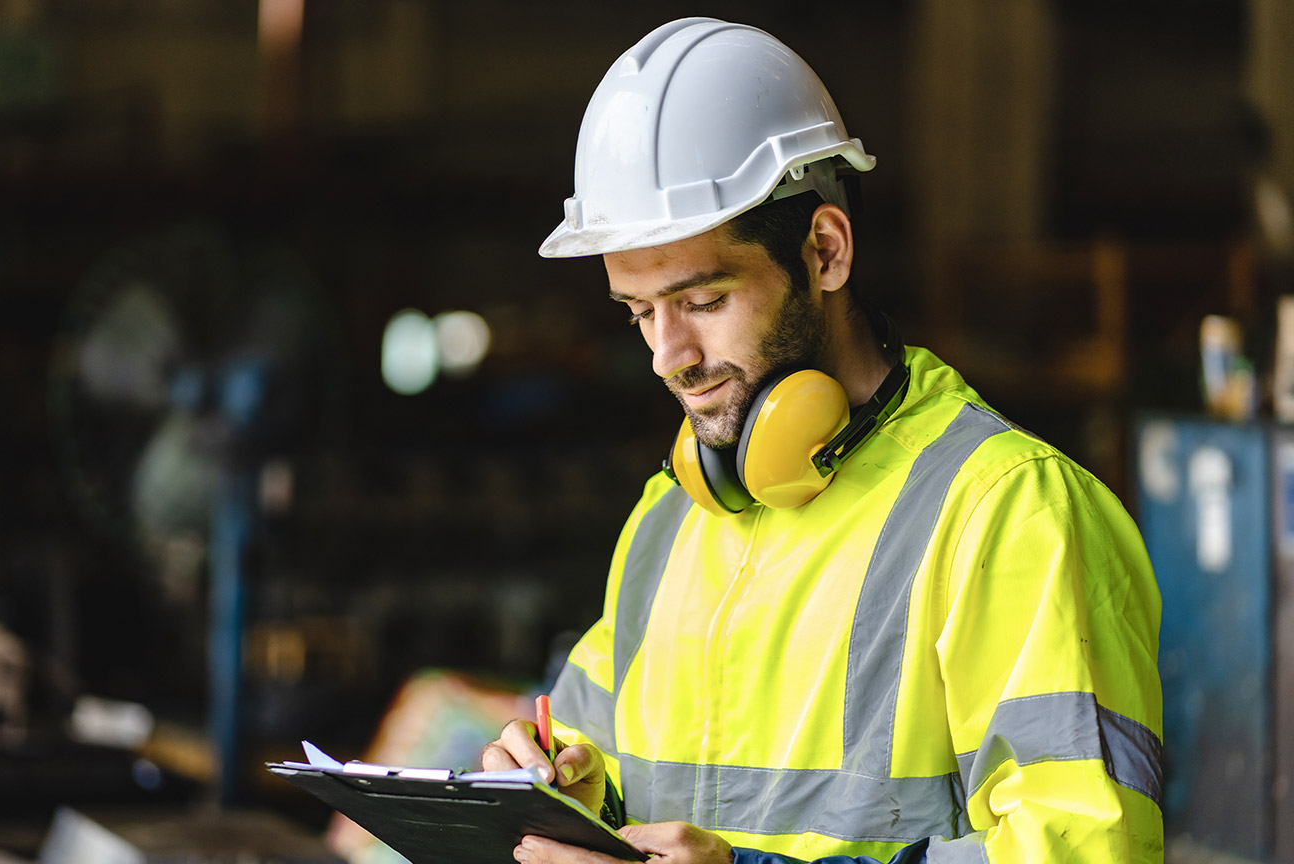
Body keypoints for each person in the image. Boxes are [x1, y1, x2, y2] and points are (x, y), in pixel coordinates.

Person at [481, 17, 1163, 864]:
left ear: (826, 250)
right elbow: (616, 775)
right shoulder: (667, 520)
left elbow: (1089, 853)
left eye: (701, 302)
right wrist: (573, 798)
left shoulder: (1007, 512)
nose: (668, 359)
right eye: (638, 313)